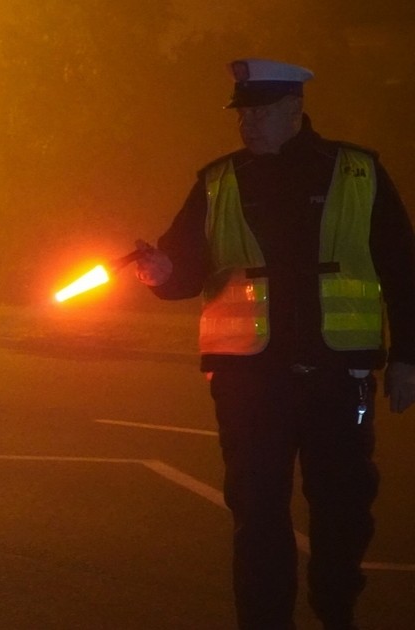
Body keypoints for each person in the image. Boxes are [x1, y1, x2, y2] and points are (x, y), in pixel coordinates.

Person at [134, 58, 415, 630]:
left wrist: (409, 354)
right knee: (257, 513)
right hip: (249, 382)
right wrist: (161, 272)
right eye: (243, 112)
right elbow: (184, 270)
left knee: (342, 509)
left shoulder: (357, 172)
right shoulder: (218, 180)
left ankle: (336, 608)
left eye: (260, 111)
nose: (248, 123)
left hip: (339, 375)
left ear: (295, 109)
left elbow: (402, 267)